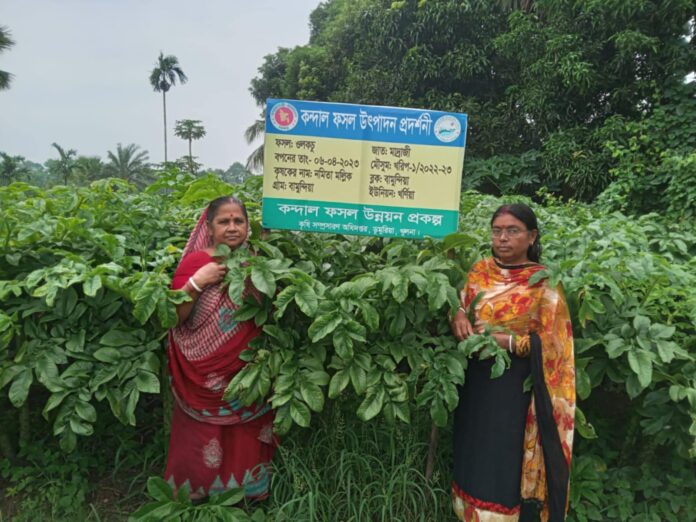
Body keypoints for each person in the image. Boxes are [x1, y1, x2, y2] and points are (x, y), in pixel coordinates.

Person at [449, 203, 575, 522]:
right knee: (472, 448)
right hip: (475, 380)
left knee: (502, 455)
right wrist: (459, 315)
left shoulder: (544, 284)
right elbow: (462, 302)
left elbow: (555, 343)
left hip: (514, 386)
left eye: (512, 231)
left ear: (531, 236)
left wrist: (510, 342)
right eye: (497, 231)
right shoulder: (480, 271)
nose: (502, 238)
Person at [164, 196, 276, 501]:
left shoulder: (256, 262)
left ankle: (247, 494)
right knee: (202, 436)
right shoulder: (196, 263)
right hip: (203, 375)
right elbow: (174, 316)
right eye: (223, 221)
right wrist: (198, 282)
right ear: (209, 228)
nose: (232, 227)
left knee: (245, 434)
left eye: (239, 221)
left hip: (245, 370)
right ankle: (195, 494)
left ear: (247, 226)